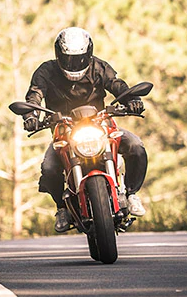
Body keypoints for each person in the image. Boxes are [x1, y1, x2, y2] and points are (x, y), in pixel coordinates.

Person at [22, 27, 148, 232]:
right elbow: (34, 95)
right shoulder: (46, 71)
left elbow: (116, 84)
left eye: (79, 59)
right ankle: (61, 207)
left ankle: (131, 193)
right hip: (64, 130)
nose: (75, 64)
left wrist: (132, 99)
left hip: (100, 123)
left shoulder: (99, 67)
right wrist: (31, 116)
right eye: (69, 59)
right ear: (59, 55)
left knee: (136, 145)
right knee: (49, 168)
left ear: (88, 54)